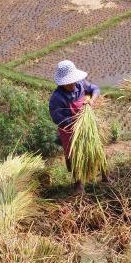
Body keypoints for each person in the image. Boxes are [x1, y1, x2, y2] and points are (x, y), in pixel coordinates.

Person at [49, 60, 101, 194]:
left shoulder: (81, 84)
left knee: (96, 148)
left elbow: (95, 89)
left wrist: (91, 100)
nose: (73, 84)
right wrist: (77, 122)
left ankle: (105, 175)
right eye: (69, 82)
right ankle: (78, 183)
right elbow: (58, 119)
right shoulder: (57, 98)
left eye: (73, 80)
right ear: (63, 83)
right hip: (69, 131)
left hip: (86, 125)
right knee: (73, 156)